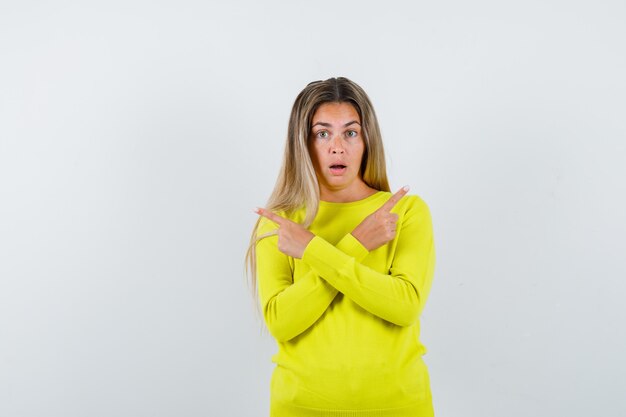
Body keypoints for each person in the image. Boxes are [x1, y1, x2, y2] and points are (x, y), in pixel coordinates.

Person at [244, 77, 436, 416]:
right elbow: (281, 322)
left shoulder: (404, 212)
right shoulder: (282, 223)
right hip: (301, 408)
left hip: (400, 407)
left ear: (366, 140)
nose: (337, 147)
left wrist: (313, 250)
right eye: (322, 133)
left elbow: (405, 307)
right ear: (302, 143)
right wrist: (358, 243)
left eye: (350, 132)